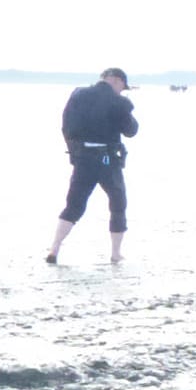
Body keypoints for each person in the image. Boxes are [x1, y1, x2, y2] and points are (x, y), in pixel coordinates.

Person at [48, 67, 138, 264]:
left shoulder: (78, 95)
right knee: (118, 204)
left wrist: (73, 153)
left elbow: (66, 127)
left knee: (74, 205)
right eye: (122, 87)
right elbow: (131, 130)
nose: (122, 91)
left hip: (83, 157)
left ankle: (54, 248)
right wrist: (127, 108)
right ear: (116, 80)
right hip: (107, 159)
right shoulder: (120, 102)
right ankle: (115, 254)